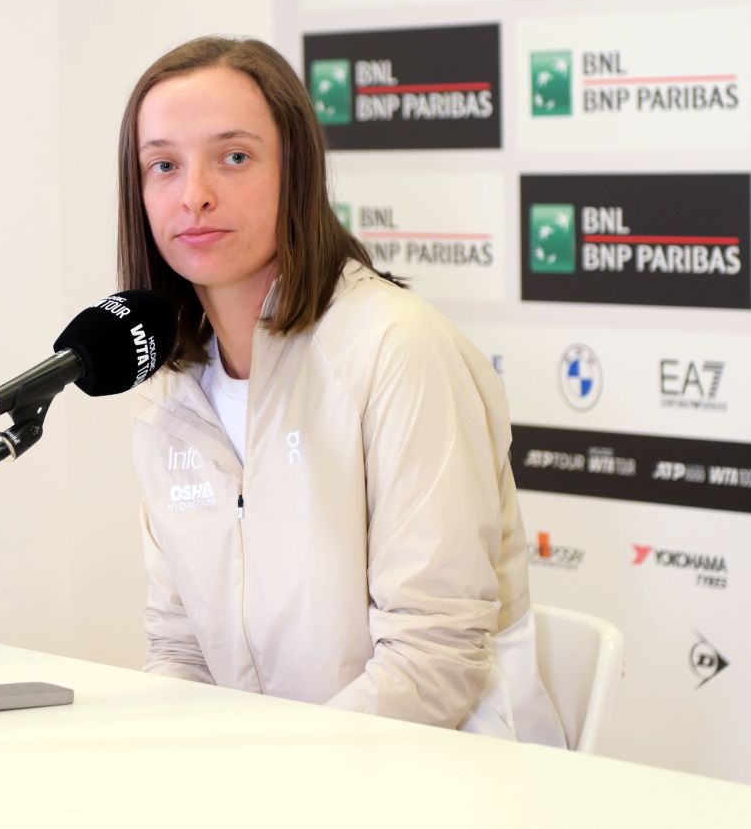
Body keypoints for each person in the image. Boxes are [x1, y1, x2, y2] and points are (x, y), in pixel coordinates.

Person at [116, 36, 565, 746]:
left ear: (296, 173)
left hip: (438, 773)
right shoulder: (170, 393)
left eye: (235, 157)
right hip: (270, 778)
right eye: (163, 165)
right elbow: (181, 651)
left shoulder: (398, 348)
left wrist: (276, 779)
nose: (194, 193)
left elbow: (433, 658)